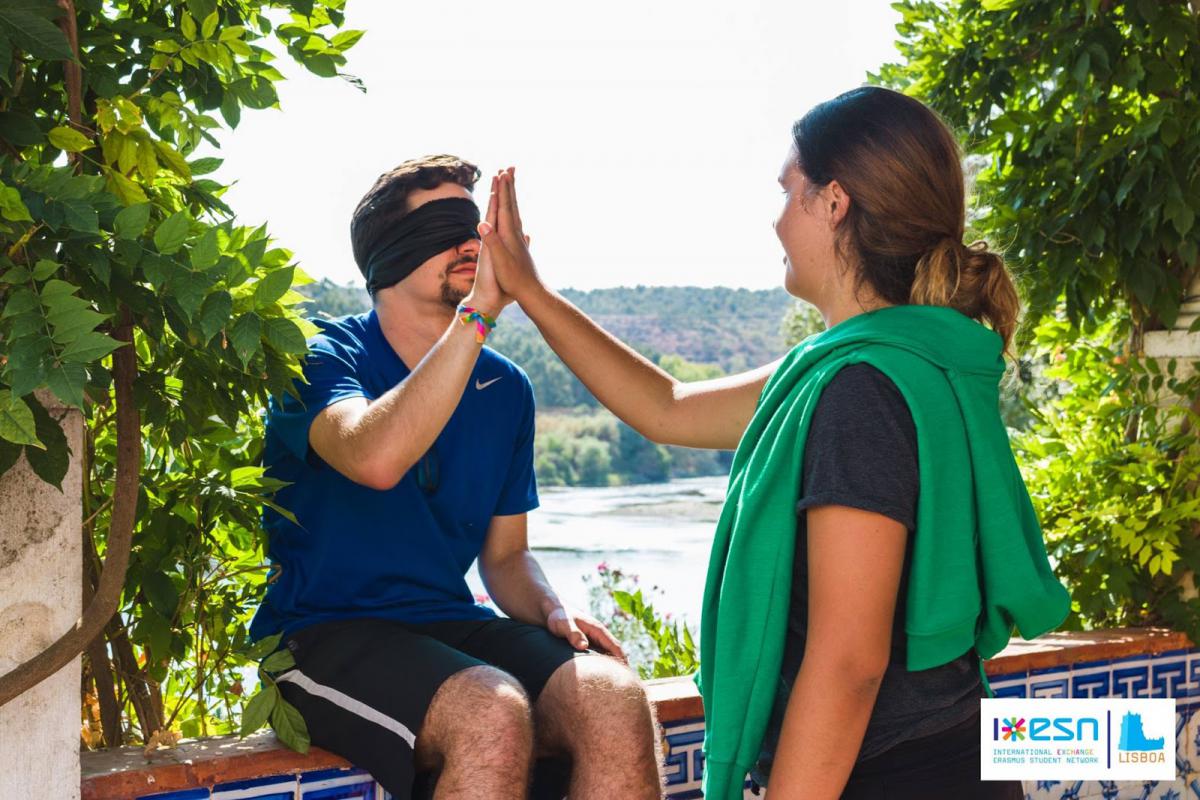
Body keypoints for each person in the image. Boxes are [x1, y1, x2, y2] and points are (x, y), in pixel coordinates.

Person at [476, 87, 1070, 800]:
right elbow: (667, 408)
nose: (776, 220)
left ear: (835, 203)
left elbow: (849, 661)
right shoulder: (898, 362)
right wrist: (531, 292)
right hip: (941, 760)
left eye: (789, 193)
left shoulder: (861, 392)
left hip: (892, 776)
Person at [249, 154, 664, 800]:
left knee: (612, 698)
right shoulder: (320, 355)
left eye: (474, 226)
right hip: (318, 636)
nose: (470, 243)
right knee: (490, 711)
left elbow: (505, 559)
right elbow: (373, 456)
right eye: (444, 228)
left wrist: (552, 610)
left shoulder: (507, 390)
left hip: (444, 627)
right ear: (388, 250)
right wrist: (479, 317)